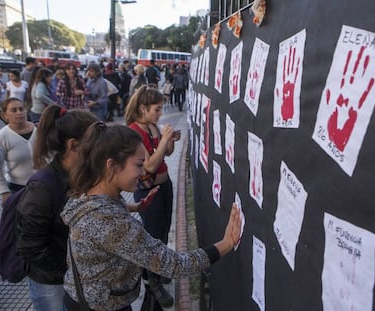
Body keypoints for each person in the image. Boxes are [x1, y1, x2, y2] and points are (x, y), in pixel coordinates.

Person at [61, 122, 241, 310]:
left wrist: (134, 207)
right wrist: (226, 243)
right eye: (139, 165)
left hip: (88, 298)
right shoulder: (111, 222)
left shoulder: (88, 192)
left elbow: (102, 213)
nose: (144, 172)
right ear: (111, 165)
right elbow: (174, 264)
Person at [15, 106, 99, 311]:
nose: (100, 148)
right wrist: (71, 268)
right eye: (95, 142)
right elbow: (30, 247)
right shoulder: (42, 187)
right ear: (73, 145)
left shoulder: (83, 175)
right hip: (52, 282)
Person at [125, 85, 181, 307]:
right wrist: (164, 140)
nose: (160, 113)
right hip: (149, 190)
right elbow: (149, 165)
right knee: (153, 235)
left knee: (164, 230)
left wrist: (169, 140)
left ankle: (161, 268)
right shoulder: (133, 132)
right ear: (143, 108)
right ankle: (152, 280)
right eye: (157, 110)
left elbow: (166, 154)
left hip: (164, 185)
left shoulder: (152, 127)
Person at [0, 97, 36, 204]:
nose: (19, 113)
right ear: (5, 115)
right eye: (14, 110)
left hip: (43, 184)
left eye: (21, 109)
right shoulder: (2, 137)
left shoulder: (39, 130)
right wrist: (4, 191)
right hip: (18, 188)